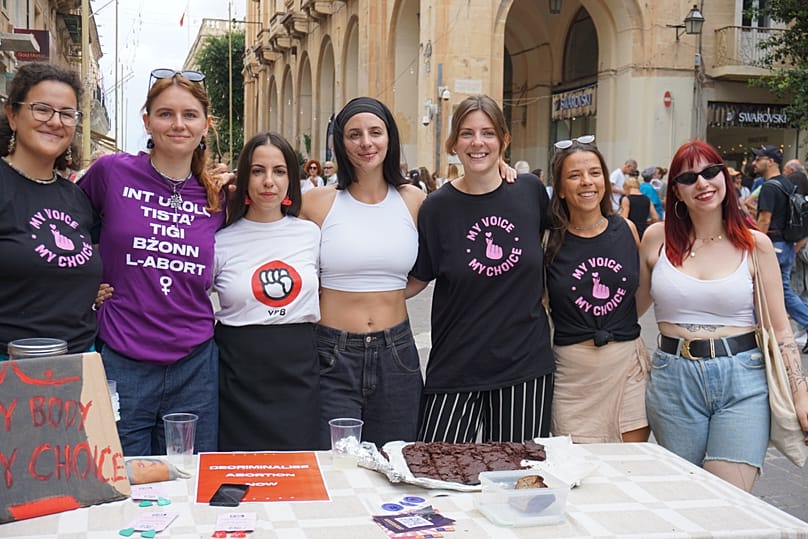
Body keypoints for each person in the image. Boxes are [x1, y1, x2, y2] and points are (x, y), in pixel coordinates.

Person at [637, 139, 808, 491]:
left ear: (725, 180)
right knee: (686, 498)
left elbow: (780, 328)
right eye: (689, 178)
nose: (702, 183)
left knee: (727, 499)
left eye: (710, 172)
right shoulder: (656, 239)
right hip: (673, 380)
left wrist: (802, 395)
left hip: (742, 379)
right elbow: (631, 311)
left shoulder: (754, 244)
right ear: (676, 192)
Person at [78, 68, 225, 456]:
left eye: (190, 115)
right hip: (122, 359)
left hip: (195, 363)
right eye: (165, 114)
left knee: (188, 480)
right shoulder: (111, 173)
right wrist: (81, 285)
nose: (178, 124)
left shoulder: (217, 197)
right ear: (147, 121)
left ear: (205, 125)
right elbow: (63, 225)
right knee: (120, 481)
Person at [408, 95, 554, 443]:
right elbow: (418, 276)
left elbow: (563, 248)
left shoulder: (529, 192)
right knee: (436, 472)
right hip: (455, 364)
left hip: (524, 365)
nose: (477, 143)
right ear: (454, 143)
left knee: (517, 479)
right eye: (467, 133)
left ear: (504, 140)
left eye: (488, 133)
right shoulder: (436, 208)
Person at [300, 97, 426, 448]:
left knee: (396, 461)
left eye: (375, 132)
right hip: (331, 353)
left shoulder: (413, 200)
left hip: (396, 353)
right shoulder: (317, 203)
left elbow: (429, 267)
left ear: (390, 138)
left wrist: (503, 171)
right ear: (340, 142)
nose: (366, 143)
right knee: (336, 465)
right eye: (354, 134)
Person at [213, 132, 320, 451]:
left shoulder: (310, 234)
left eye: (279, 171)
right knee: (241, 476)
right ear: (245, 177)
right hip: (239, 373)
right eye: (258, 171)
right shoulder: (220, 240)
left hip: (298, 369)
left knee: (300, 475)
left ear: (292, 179)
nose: (268, 181)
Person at [545, 135, 649, 443]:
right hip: (572, 375)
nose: (586, 182)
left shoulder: (626, 230)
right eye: (574, 176)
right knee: (582, 477)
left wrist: (615, 324)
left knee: (631, 468)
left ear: (605, 179)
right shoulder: (548, 239)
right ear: (560, 189)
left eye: (594, 173)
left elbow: (639, 291)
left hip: (626, 368)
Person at [0, 63, 101, 358]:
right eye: (42, 109)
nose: (55, 122)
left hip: (79, 361)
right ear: (13, 116)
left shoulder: (77, 199)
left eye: (67, 114)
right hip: (9, 366)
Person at [751, 144, 808, 352]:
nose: (754, 163)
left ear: (771, 161)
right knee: (783, 291)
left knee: (761, 290)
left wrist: (754, 245)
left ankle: (761, 334)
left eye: (759, 159)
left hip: (773, 246)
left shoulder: (769, 187)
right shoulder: (787, 184)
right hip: (787, 245)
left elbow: (764, 220)